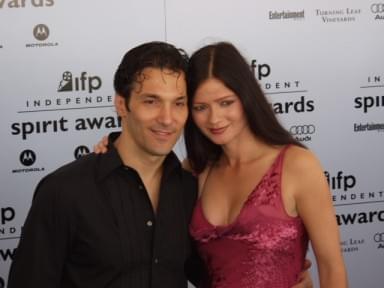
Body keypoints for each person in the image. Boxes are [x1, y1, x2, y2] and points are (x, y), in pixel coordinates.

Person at [7, 42, 201, 288]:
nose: (166, 118)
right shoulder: (63, 191)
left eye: (178, 103)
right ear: (122, 105)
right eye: (151, 101)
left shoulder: (191, 189)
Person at [184, 42, 348, 287]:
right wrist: (111, 146)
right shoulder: (194, 170)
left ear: (246, 96)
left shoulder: (297, 165)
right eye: (200, 108)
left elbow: (331, 266)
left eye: (226, 102)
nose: (214, 118)